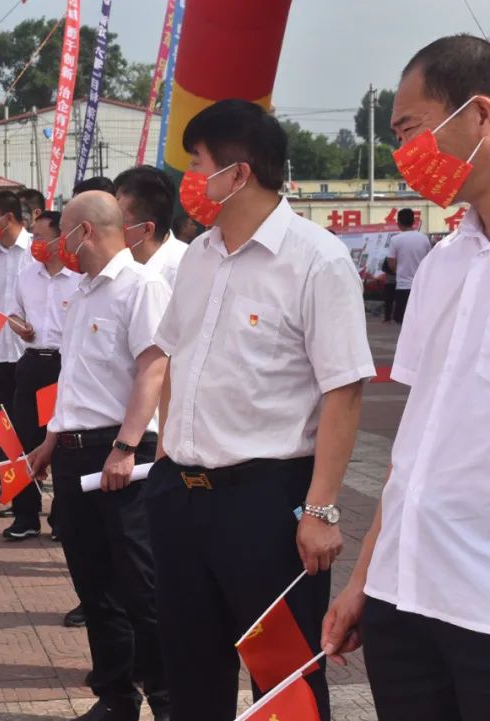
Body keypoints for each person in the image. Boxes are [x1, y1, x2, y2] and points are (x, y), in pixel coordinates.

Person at [146, 99, 374, 721]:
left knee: (283, 679)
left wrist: (321, 509)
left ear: (238, 173)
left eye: (197, 164)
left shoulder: (316, 259)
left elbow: (343, 389)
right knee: (191, 669)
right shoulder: (199, 255)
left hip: (266, 504)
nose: (189, 179)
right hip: (181, 496)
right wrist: (166, 457)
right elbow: (174, 357)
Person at [322, 35, 490, 721]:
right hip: (406, 594)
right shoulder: (446, 264)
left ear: (480, 114)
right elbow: (413, 444)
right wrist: (365, 576)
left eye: (410, 130)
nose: (403, 154)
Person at [27, 191, 171, 721]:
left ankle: (167, 700)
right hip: (74, 454)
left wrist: (126, 447)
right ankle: (116, 697)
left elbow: (153, 369)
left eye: (61, 232)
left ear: (84, 231)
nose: (55, 245)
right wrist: (51, 438)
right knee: (95, 586)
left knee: (142, 586)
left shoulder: (141, 286)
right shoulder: (84, 292)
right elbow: (75, 379)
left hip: (121, 453)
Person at [1, 211, 79, 540]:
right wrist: (20, 327)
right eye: (32, 237)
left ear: (61, 239)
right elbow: (12, 314)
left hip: (64, 366)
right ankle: (25, 516)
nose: (34, 244)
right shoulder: (27, 275)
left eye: (40, 238)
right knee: (24, 440)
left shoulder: (79, 277)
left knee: (61, 442)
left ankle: (62, 517)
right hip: (32, 362)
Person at [0, 191, 31, 488]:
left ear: (8, 217)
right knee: (3, 418)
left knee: (32, 421)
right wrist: (3, 323)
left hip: (34, 351)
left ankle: (31, 480)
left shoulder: (35, 251)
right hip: (1, 350)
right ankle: (6, 479)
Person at [114, 166, 186, 291]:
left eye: (117, 222)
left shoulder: (184, 269)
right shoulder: (116, 265)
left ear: (147, 229)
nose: (110, 228)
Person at [385, 207, 431, 324]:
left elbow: (391, 263)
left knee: (402, 320)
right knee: (419, 318)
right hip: (420, 285)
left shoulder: (395, 240)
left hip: (403, 285)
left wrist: (400, 271)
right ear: (413, 221)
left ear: (399, 223)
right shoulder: (424, 239)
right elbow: (429, 260)